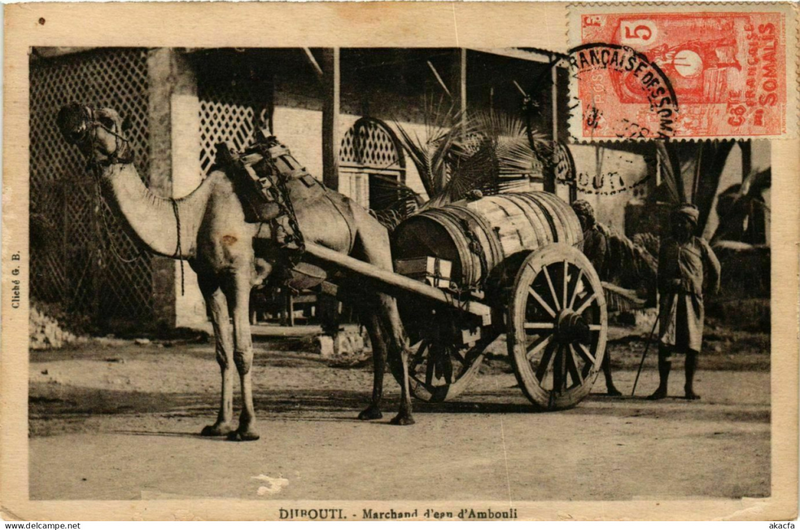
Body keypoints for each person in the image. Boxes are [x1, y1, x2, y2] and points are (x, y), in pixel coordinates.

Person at [648, 204, 721, 400]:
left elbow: (716, 269)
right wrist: (662, 289)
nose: (680, 225)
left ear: (692, 225)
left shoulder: (699, 245)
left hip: (691, 300)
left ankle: (689, 387)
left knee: (692, 343)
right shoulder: (667, 245)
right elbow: (660, 271)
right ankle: (662, 387)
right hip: (670, 299)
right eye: (677, 221)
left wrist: (708, 289)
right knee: (665, 341)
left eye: (685, 222)